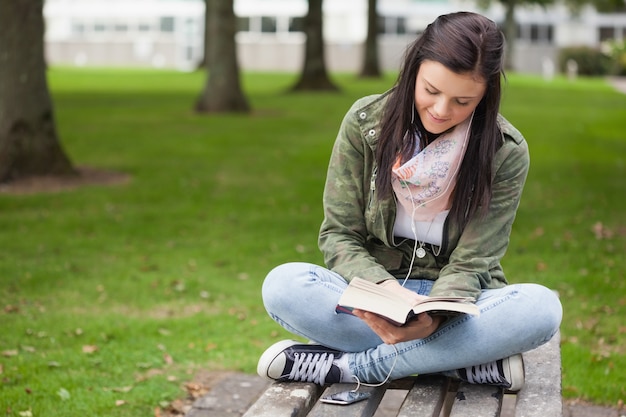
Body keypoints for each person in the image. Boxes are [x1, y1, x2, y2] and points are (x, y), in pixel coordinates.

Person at [256, 11, 562, 392]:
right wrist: (384, 290)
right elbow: (339, 235)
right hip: (372, 300)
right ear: (414, 70)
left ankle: (352, 367)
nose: (441, 110)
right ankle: (457, 361)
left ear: (486, 95)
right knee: (283, 285)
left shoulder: (505, 151)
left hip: (458, 308)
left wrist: (434, 319)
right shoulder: (364, 124)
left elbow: (475, 259)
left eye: (463, 101)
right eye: (431, 91)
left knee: (541, 309)